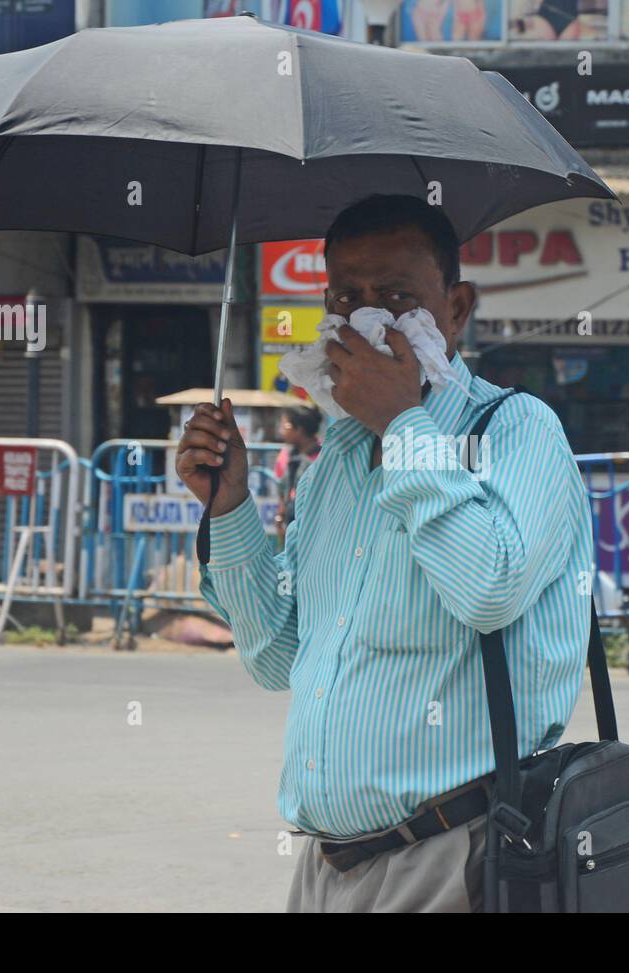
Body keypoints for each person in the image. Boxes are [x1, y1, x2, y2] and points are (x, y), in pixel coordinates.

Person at [176, 194, 592, 912]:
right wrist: (231, 506)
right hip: (326, 866)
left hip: (454, 857)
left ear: (456, 309)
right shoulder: (336, 455)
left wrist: (403, 422)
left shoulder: (517, 431)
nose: (366, 320)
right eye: (346, 297)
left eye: (396, 299)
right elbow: (278, 657)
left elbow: (486, 588)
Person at [274, 406, 321, 544]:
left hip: (314, 526)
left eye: (285, 426)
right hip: (291, 523)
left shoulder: (324, 457)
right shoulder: (286, 455)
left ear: (299, 429)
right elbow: (283, 491)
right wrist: (280, 516)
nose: (281, 431)